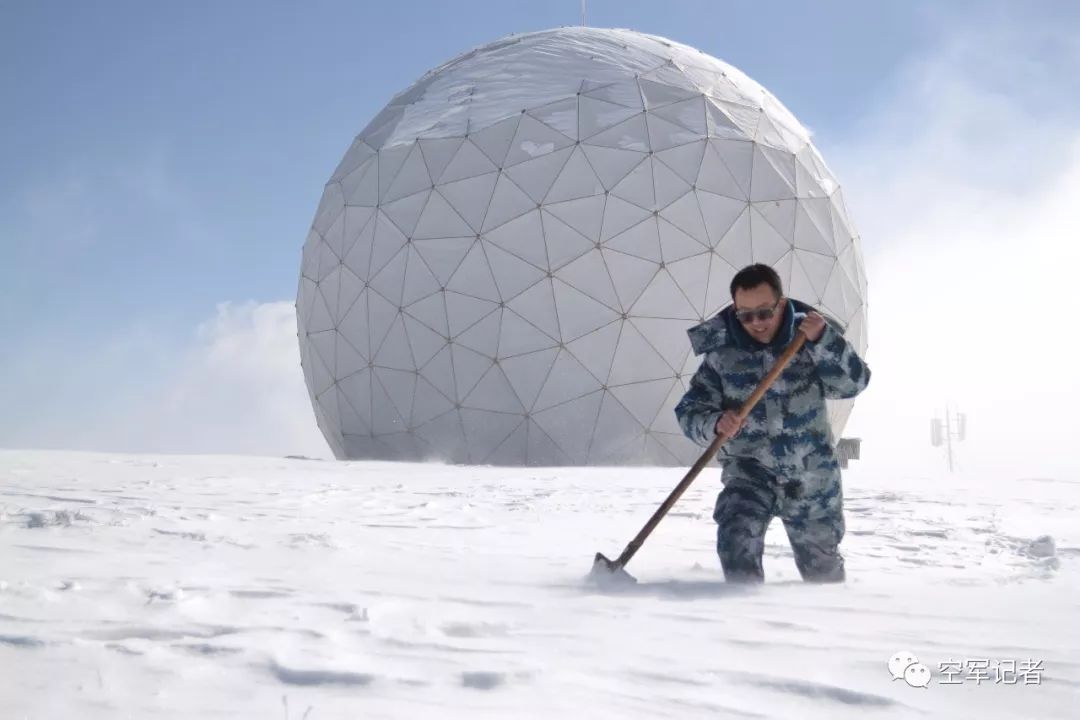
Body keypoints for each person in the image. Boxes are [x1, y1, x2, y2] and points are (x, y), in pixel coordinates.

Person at [674, 263, 870, 583]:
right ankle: (745, 622)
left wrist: (825, 341)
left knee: (823, 567)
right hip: (750, 472)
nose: (756, 323)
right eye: (745, 316)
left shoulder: (811, 341)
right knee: (736, 541)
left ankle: (830, 625)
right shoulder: (722, 355)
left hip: (811, 476)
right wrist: (715, 422)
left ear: (781, 304)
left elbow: (854, 383)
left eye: (764, 313)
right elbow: (689, 410)